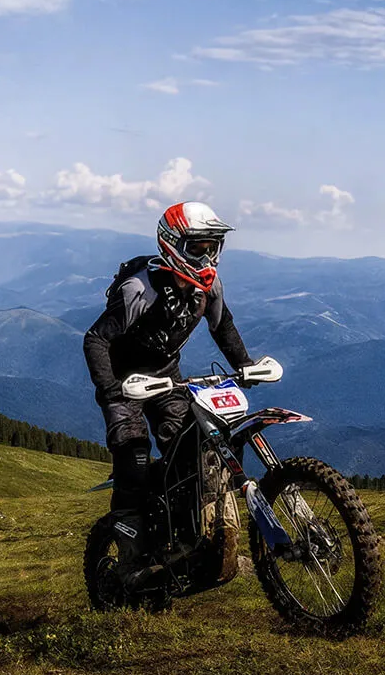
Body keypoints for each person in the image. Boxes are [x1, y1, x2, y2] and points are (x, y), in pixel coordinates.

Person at [83, 201, 262, 573]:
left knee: (190, 450)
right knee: (132, 457)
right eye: (198, 247)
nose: (208, 257)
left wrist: (245, 366)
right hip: (125, 381)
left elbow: (222, 327)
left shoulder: (207, 290)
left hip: (167, 377)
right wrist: (112, 390)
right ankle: (130, 562)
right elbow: (96, 340)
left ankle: (185, 544)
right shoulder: (139, 288)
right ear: (172, 244)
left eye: (213, 247)